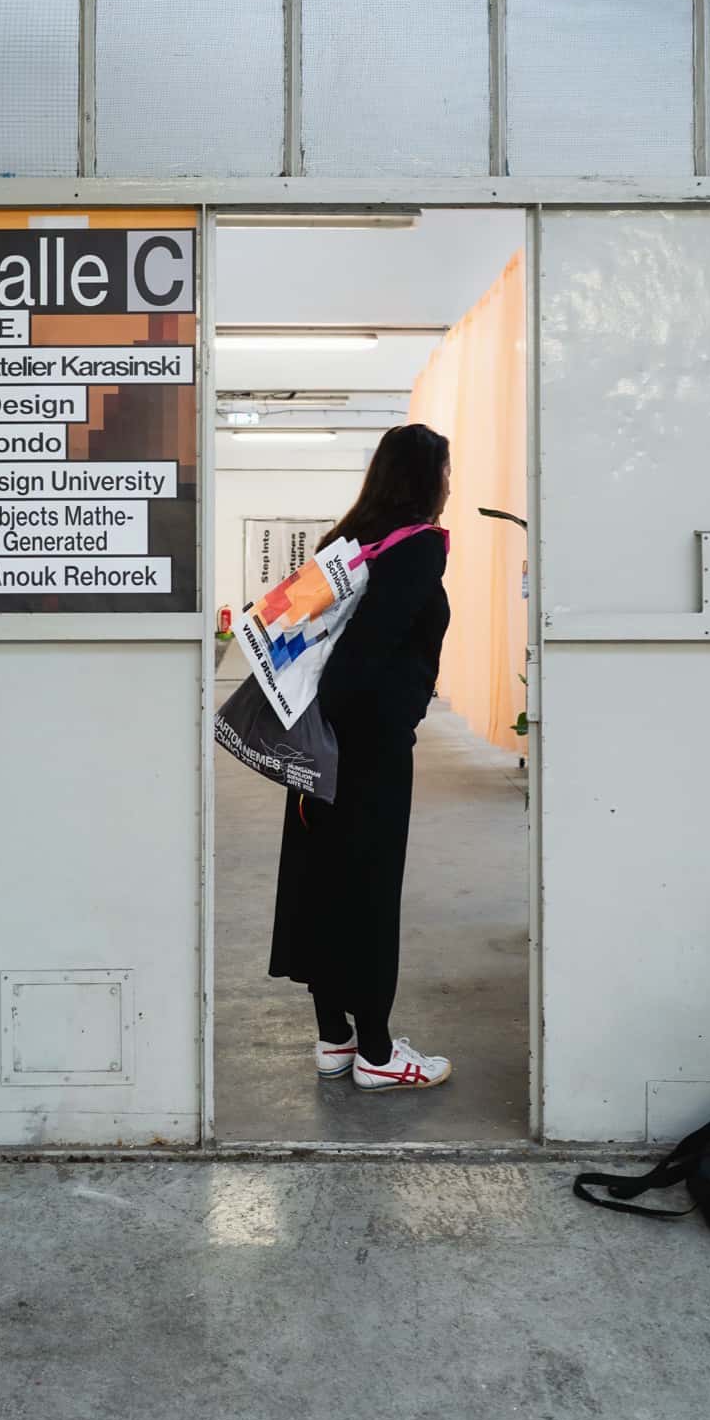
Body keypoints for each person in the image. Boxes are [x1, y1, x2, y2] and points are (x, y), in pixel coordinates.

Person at [269, 423, 454, 1092]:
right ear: (424, 479)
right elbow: (364, 660)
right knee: (370, 893)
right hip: (366, 751)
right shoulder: (417, 551)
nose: (450, 486)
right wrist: (403, 712)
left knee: (323, 883)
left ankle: (335, 1039)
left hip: (312, 743)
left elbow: (289, 631)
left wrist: (317, 734)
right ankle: (377, 1050)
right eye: (445, 473)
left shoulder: (341, 546)